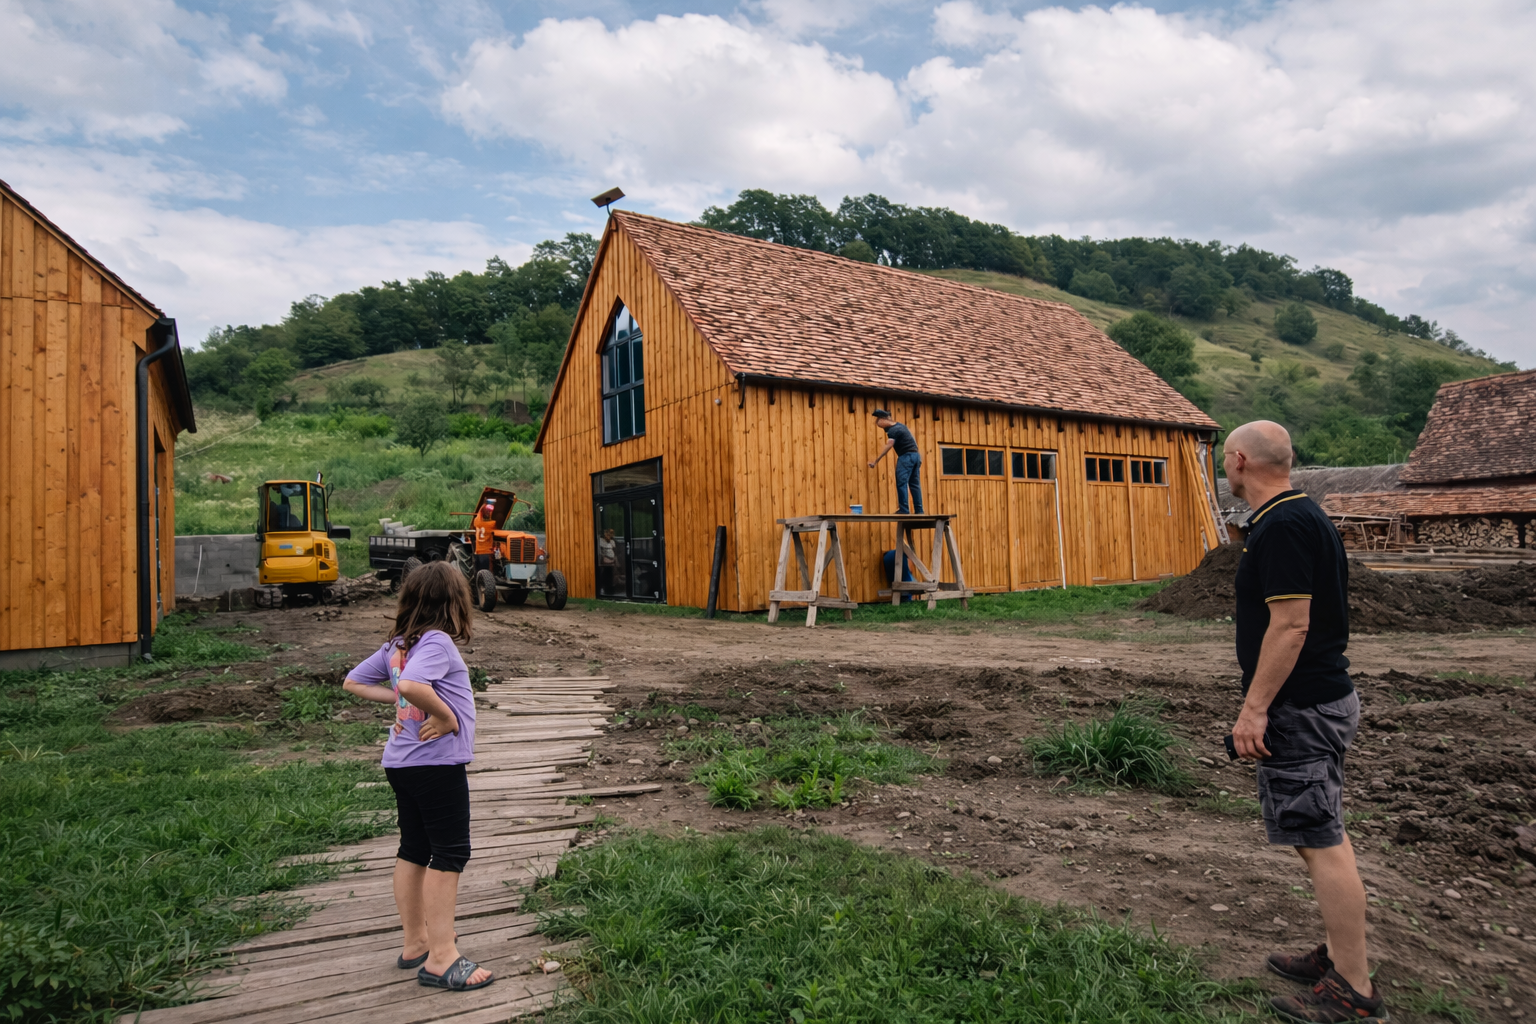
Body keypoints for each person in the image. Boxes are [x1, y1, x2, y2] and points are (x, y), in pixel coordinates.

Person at [1223, 420, 1385, 1023]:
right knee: (1314, 832)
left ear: (1239, 460)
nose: (1225, 469)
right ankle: (1342, 955)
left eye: (1225, 461)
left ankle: (1354, 987)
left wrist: (1255, 708)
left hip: (1301, 705)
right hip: (1317, 701)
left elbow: (1291, 625)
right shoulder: (1298, 515)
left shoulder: (1285, 525)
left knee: (1320, 841)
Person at [342, 561, 493, 992]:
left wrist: (398, 699)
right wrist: (445, 717)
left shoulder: (397, 646)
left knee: (414, 849)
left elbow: (352, 681)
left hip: (402, 763)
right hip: (436, 764)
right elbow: (411, 686)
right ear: (455, 602)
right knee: (449, 855)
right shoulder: (438, 642)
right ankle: (443, 958)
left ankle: (416, 943)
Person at [867, 409, 924, 514]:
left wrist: (876, 461)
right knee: (914, 484)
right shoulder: (902, 426)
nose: (881, 428)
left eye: (880, 425)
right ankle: (919, 511)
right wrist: (918, 457)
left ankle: (904, 510)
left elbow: (889, 445)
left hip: (906, 456)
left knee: (901, 482)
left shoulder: (893, 430)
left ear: (883, 420)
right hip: (915, 455)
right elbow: (913, 440)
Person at [472, 502, 496, 573]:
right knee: (487, 573)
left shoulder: (477, 522)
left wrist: (483, 505)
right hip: (487, 553)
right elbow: (492, 517)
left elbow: (478, 515)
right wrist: (491, 512)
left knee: (480, 572)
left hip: (478, 552)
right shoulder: (492, 524)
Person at [597, 528, 618, 594]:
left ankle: (612, 588)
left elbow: (615, 550)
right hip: (605, 560)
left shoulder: (612, 541)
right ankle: (604, 588)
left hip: (612, 560)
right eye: (608, 534)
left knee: (613, 573)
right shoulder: (601, 541)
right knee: (606, 574)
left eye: (610, 534)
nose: (609, 536)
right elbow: (600, 554)